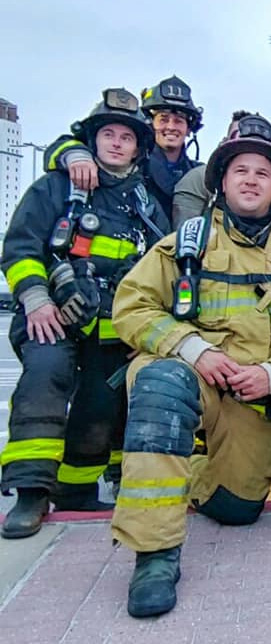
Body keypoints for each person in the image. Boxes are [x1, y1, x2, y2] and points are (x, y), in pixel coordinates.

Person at [108, 114, 271, 617]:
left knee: (238, 508)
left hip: (252, 396)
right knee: (161, 388)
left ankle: (188, 471)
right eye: (241, 170)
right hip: (189, 374)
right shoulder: (184, 245)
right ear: (222, 182)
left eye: (263, 173)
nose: (251, 180)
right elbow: (132, 307)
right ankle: (154, 555)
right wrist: (193, 350)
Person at [1, 88, 169, 537]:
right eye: (108, 134)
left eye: (126, 138)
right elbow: (20, 247)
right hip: (51, 318)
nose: (116, 143)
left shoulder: (146, 205)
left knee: (100, 404)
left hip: (113, 328)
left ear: (138, 148)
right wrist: (37, 299)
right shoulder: (58, 187)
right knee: (45, 380)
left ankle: (75, 491)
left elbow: (161, 269)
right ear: (91, 139)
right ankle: (31, 492)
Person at [44, 76, 204, 217]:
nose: (170, 127)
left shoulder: (200, 175)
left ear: (189, 129)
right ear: (149, 123)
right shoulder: (128, 163)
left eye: (179, 121)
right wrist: (77, 156)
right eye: (163, 119)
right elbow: (63, 147)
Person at [171, 110, 253, 226]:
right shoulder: (198, 179)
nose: (245, 144)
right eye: (237, 137)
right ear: (225, 141)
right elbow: (182, 230)